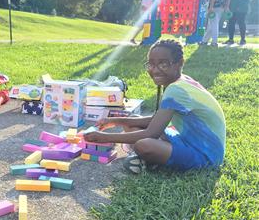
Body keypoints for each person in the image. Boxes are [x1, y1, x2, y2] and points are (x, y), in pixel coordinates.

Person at [85, 39, 226, 174]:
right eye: (151, 64)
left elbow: (152, 133)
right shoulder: (178, 82)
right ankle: (149, 158)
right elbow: (156, 120)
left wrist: (105, 137)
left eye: (163, 64)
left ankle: (146, 159)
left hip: (206, 155)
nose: (155, 70)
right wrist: (116, 121)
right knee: (133, 122)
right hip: (186, 139)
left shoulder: (176, 89)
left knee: (143, 145)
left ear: (179, 63)